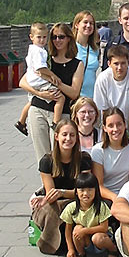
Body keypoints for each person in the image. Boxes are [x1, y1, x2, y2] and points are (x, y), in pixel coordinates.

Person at [20, 23, 84, 162]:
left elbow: (74, 93)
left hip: (62, 113)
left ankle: (59, 182)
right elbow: (23, 82)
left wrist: (56, 82)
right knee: (42, 155)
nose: (57, 40)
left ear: (69, 38)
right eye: (54, 37)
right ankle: (46, 184)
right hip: (38, 108)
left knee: (60, 154)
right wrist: (40, 94)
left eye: (61, 37)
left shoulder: (77, 64)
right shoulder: (44, 59)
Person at [30, 119, 92, 254]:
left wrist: (62, 193)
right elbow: (51, 193)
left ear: (77, 137)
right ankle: (50, 242)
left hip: (76, 200)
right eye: (64, 134)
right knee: (51, 208)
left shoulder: (84, 160)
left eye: (72, 135)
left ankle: (58, 242)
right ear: (56, 136)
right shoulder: (47, 161)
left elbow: (84, 191)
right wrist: (53, 195)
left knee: (75, 206)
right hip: (55, 201)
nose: (68, 139)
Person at [15, 22, 65, 136]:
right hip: (39, 81)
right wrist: (53, 76)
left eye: (44, 37)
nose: (42, 40)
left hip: (32, 80)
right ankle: (56, 123)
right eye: (39, 37)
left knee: (32, 100)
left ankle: (21, 121)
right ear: (31, 37)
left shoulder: (32, 49)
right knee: (60, 98)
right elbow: (41, 68)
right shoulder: (39, 51)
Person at [61, 171, 118, 257]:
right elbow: (68, 231)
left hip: (101, 237)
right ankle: (82, 254)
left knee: (97, 238)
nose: (86, 193)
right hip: (86, 239)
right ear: (76, 191)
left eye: (90, 190)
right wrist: (70, 249)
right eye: (82, 190)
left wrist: (85, 230)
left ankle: (113, 250)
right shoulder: (71, 207)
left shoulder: (101, 206)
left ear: (96, 190)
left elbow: (104, 227)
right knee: (77, 229)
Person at [91, 107, 129, 204]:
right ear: (104, 128)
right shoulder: (98, 150)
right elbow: (99, 186)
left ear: (125, 125)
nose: (115, 129)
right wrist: (117, 198)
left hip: (127, 194)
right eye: (110, 125)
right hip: (106, 198)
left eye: (119, 124)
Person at [93, 45, 129, 125]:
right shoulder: (102, 79)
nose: (120, 68)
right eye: (116, 64)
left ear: (128, 62)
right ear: (109, 64)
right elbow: (103, 110)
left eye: (123, 63)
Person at [72, 10, 99, 98]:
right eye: (85, 22)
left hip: (91, 97)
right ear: (77, 25)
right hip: (75, 97)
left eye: (91, 23)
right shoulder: (70, 47)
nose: (88, 26)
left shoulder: (95, 49)